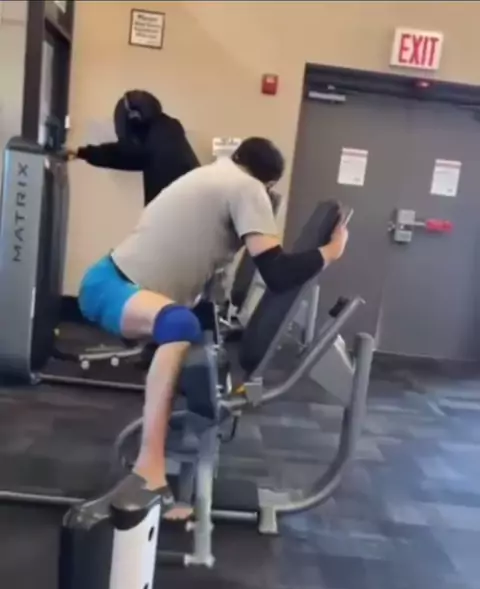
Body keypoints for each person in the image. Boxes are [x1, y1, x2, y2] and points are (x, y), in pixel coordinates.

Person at [78, 137, 349, 520]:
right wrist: (330, 253)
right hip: (113, 287)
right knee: (180, 324)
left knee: (191, 327)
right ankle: (149, 470)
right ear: (269, 183)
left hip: (110, 281)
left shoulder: (214, 176)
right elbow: (277, 273)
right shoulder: (248, 188)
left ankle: (173, 454)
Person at [69, 91, 199, 205]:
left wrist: (83, 153)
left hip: (175, 210)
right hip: (195, 204)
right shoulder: (169, 131)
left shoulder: (154, 139)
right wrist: (83, 153)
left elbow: (121, 154)